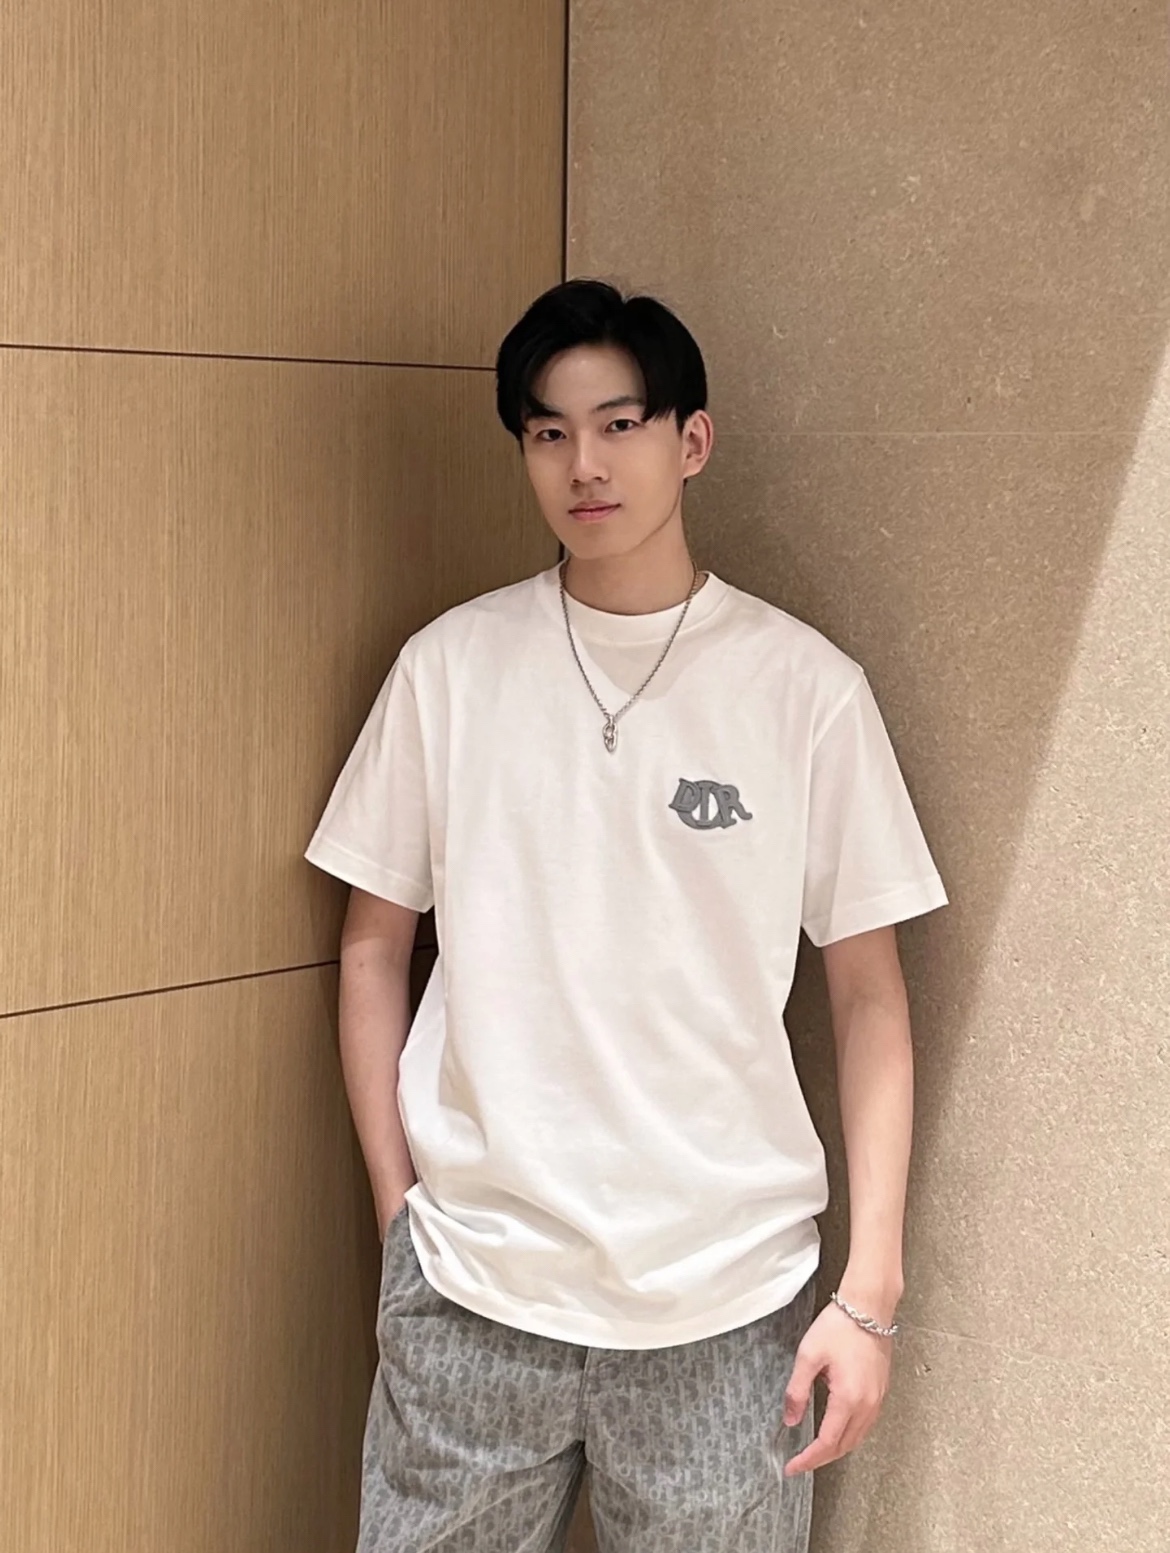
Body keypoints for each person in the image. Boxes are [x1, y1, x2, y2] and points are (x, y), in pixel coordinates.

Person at [305, 278, 948, 1553]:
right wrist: (401, 1219)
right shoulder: (449, 669)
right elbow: (374, 944)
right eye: (547, 432)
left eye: (618, 424)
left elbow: (869, 991)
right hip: (473, 1290)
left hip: (727, 1311)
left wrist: (870, 1287)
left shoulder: (805, 689)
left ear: (690, 440)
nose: (583, 464)